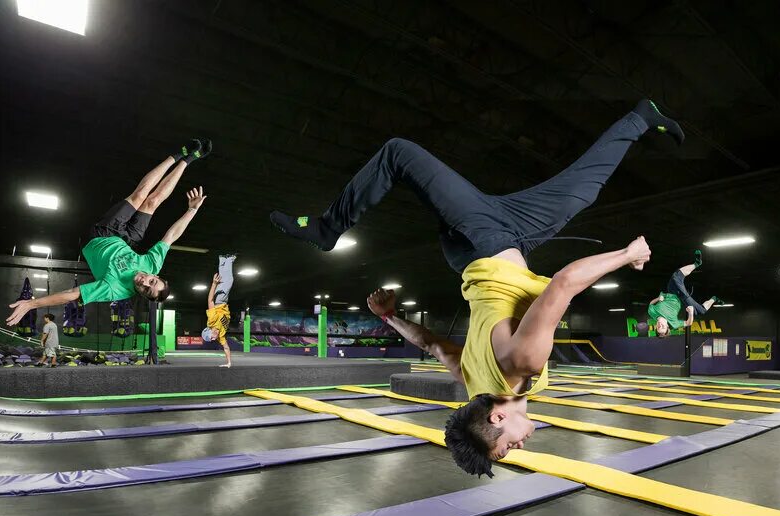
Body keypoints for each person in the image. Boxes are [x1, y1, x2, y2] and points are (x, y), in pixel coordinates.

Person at [273, 99, 683, 476]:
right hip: (511, 236)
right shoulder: (476, 385)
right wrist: (389, 317)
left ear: (497, 419)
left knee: (398, 152)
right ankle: (642, 117)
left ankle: (328, 228)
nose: (519, 447)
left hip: (484, 239)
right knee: (582, 189)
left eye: (506, 449)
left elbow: (563, 285)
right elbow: (431, 345)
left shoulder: (520, 363)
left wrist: (627, 255)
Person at [6, 141, 212, 326]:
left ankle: (184, 157)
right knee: (151, 201)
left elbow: (71, 294)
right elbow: (171, 236)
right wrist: (192, 210)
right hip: (128, 241)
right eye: (152, 281)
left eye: (146, 289)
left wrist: (33, 304)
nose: (144, 282)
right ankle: (184, 158)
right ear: (155, 275)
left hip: (102, 236)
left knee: (138, 197)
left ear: (141, 294)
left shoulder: (115, 289)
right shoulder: (152, 264)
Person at [647, 250, 722, 337]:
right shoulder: (674, 324)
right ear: (667, 327)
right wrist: (690, 313)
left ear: (656, 327)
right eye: (663, 327)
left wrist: (658, 298)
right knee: (701, 311)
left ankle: (697, 263)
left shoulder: (652, 313)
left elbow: (651, 304)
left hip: (670, 292)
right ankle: (714, 299)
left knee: (675, 276)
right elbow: (688, 323)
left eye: (659, 327)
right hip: (682, 299)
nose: (660, 325)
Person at [202, 255, 236, 368]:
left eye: (211, 337)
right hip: (224, 302)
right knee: (225, 279)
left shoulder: (211, 321)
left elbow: (209, 300)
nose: (213, 338)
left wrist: (214, 284)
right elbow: (226, 347)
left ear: (209, 330)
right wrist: (229, 363)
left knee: (229, 280)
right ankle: (223, 259)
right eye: (212, 339)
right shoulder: (220, 336)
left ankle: (229, 258)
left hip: (218, 299)